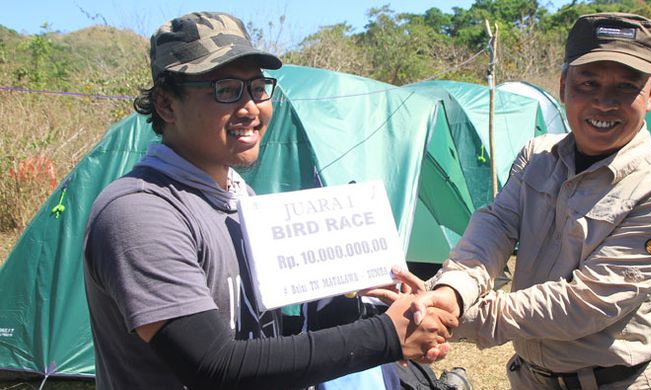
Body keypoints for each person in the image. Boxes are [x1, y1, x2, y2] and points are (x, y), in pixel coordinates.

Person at [82, 11, 456, 390]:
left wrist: (386, 314)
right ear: (166, 105)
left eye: (258, 88)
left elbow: (270, 328)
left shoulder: (238, 197)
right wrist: (384, 336)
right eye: (225, 89)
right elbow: (213, 364)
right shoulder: (140, 213)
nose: (251, 108)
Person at [385, 12, 651, 390]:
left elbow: (588, 301)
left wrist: (452, 315)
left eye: (626, 87)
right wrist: (451, 290)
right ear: (565, 86)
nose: (604, 102)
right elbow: (496, 226)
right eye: (589, 83)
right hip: (531, 379)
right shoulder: (538, 156)